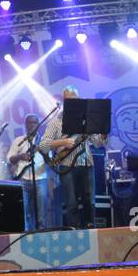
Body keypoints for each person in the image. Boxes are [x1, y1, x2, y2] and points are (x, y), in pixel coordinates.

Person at [47, 86, 103, 229]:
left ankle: (90, 228)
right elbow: (43, 145)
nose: (73, 103)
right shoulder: (57, 121)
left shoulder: (87, 119)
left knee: (90, 201)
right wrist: (63, 142)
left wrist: (104, 131)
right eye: (69, 101)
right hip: (66, 164)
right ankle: (74, 231)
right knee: (71, 202)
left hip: (86, 162)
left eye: (75, 100)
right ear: (64, 101)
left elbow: (97, 143)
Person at [6, 114, 56, 229]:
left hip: (40, 179)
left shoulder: (43, 141)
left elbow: (50, 162)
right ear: (25, 125)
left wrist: (44, 154)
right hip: (23, 180)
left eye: (34, 123)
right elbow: (9, 159)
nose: (32, 125)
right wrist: (20, 156)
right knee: (24, 212)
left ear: (38, 125)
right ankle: (26, 235)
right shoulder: (19, 141)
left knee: (41, 212)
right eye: (29, 123)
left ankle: (41, 234)